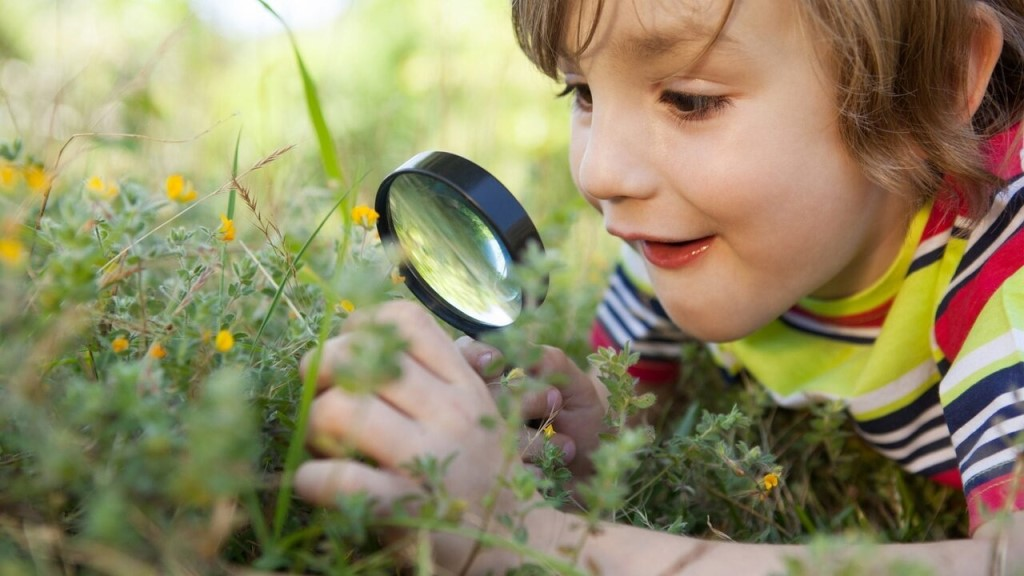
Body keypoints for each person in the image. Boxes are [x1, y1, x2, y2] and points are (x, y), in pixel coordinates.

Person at [295, 0, 1024, 573]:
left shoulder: (1004, 269)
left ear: (936, 78)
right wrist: (590, 448)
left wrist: (534, 542)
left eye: (689, 99)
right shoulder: (679, 239)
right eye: (581, 92)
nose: (601, 173)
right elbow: (630, 423)